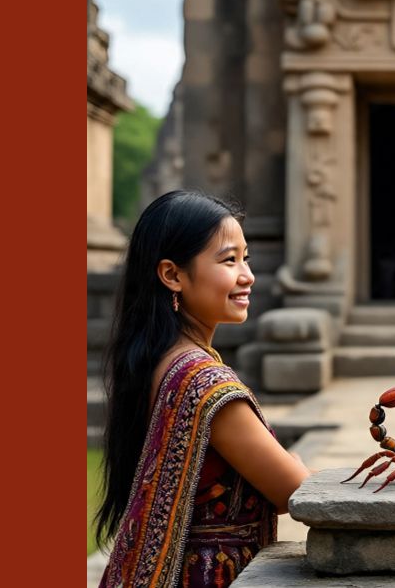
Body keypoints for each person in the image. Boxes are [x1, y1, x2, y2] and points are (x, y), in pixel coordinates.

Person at [95, 190, 311, 587]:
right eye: (229, 260)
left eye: (245, 257)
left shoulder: (158, 362)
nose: (247, 275)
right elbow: (296, 492)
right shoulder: (205, 385)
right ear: (172, 275)